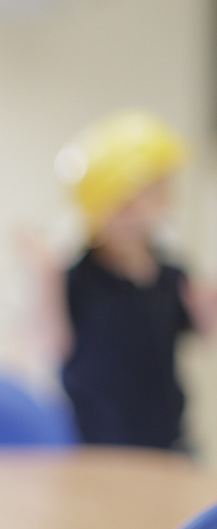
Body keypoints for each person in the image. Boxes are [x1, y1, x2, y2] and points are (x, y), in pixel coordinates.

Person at [48, 110, 215, 451]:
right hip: (92, 445)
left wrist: (207, 310)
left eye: (144, 197)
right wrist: (44, 277)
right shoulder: (77, 276)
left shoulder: (172, 275)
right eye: (118, 204)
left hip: (167, 442)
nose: (131, 213)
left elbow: (204, 333)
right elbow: (52, 346)